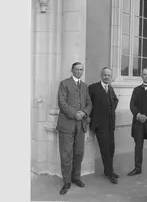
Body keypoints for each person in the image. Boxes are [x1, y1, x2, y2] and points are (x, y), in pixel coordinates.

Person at [56, 62, 92, 195]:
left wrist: (84, 113)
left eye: (81, 70)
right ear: (72, 70)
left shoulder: (84, 86)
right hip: (67, 124)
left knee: (78, 152)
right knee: (66, 153)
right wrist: (75, 113)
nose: (78, 71)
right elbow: (62, 103)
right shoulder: (64, 84)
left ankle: (76, 177)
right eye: (76, 69)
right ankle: (66, 181)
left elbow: (89, 103)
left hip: (80, 125)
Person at [88, 67, 119, 184]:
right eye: (105, 75)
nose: (107, 77)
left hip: (110, 124)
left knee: (111, 148)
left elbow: (115, 100)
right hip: (99, 124)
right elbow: (88, 103)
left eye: (109, 75)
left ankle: (108, 170)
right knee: (105, 149)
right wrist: (92, 117)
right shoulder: (93, 88)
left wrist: (109, 110)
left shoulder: (110, 88)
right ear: (101, 75)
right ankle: (110, 173)